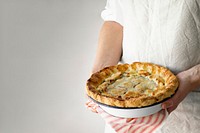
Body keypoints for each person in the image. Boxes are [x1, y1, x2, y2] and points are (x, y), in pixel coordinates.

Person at [91, 0, 200, 133]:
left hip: (189, 111)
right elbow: (115, 19)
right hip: (123, 103)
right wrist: (101, 75)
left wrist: (193, 77)